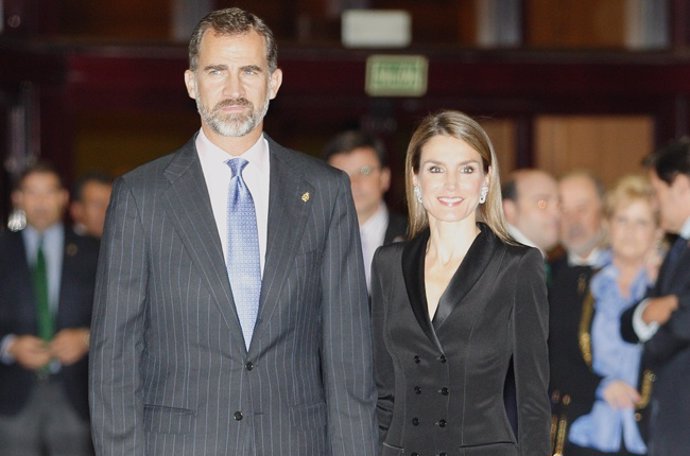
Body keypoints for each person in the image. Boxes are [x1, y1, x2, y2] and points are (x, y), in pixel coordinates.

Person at [88, 7, 377, 456]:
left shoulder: (325, 191)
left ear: (274, 82)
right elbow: (114, 362)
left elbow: (349, 359)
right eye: (217, 71)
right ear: (191, 82)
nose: (234, 89)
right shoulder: (140, 197)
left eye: (249, 71)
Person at [371, 110, 550, 456]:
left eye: (466, 169)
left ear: (486, 180)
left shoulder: (517, 266)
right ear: (415, 178)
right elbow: (383, 393)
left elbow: (533, 401)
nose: (450, 185)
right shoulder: (388, 264)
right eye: (436, 169)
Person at [555, 175, 661, 456]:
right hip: (586, 430)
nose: (630, 231)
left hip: (653, 433)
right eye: (622, 220)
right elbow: (554, 357)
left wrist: (658, 287)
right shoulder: (576, 282)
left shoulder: (668, 287)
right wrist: (601, 386)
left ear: (657, 231)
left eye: (641, 222)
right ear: (607, 224)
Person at [0, 162, 99, 456]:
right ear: (17, 199)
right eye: (32, 193)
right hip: (12, 394)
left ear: (63, 198)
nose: (41, 202)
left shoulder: (95, 251)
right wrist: (8, 345)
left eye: (49, 192)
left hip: (76, 393)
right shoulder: (2, 251)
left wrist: (86, 339)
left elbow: (117, 315)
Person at [620, 139, 690, 456]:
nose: (654, 203)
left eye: (656, 191)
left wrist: (672, 312)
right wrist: (652, 311)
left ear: (682, 187)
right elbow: (630, 321)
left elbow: (683, 326)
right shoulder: (679, 247)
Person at [548, 170, 609, 450]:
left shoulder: (629, 275)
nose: (572, 220)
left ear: (604, 212)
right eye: (564, 209)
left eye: (582, 209)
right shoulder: (545, 273)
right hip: (557, 428)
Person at [322, 130, 407, 293]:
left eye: (365, 171)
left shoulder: (414, 236)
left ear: (385, 177)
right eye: (342, 174)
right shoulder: (314, 240)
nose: (353, 183)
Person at [501, 168, 560, 256]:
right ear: (509, 210)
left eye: (559, 204)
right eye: (542, 203)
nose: (557, 213)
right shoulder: (506, 262)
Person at [69, 171, 113, 239]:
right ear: (76, 210)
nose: (107, 211)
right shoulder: (60, 246)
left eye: (111, 205)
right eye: (97, 205)